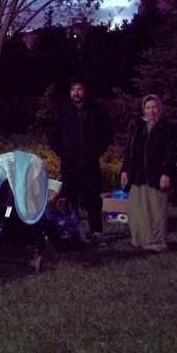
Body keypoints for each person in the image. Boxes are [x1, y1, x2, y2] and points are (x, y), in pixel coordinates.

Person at [46, 76, 112, 247]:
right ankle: (74, 232)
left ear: (85, 91)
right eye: (73, 90)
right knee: (71, 199)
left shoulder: (96, 111)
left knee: (93, 199)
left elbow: (106, 134)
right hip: (70, 164)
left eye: (79, 89)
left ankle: (97, 232)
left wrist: (96, 151)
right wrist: (63, 152)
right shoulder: (62, 112)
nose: (76, 93)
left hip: (90, 163)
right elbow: (52, 135)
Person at [120, 95, 177, 253]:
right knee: (137, 210)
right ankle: (139, 240)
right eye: (148, 107)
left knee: (155, 210)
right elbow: (129, 150)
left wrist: (166, 173)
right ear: (143, 109)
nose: (151, 111)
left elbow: (171, 153)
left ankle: (156, 242)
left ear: (159, 108)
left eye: (154, 107)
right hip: (137, 175)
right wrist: (125, 170)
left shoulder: (167, 127)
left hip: (155, 175)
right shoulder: (138, 126)